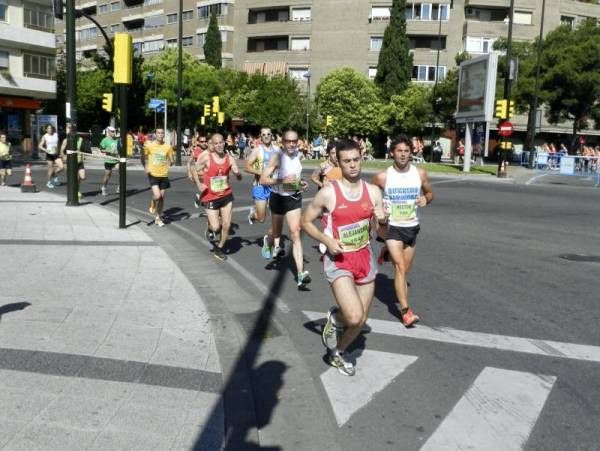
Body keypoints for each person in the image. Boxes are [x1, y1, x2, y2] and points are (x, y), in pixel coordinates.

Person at [302, 139, 387, 376]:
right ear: (338, 163)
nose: (352, 165)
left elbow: (382, 234)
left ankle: (336, 352)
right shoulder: (329, 193)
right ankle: (337, 316)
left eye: (356, 160)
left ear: (362, 159)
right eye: (346, 161)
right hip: (339, 259)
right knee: (354, 315)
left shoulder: (373, 192)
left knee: (359, 321)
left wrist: (383, 220)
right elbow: (305, 221)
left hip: (364, 257)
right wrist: (326, 240)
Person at [371, 135, 434, 327]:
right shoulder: (382, 177)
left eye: (406, 151)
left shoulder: (420, 173)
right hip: (392, 227)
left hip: (411, 226)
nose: (403, 154)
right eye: (399, 151)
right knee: (399, 268)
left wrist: (425, 199)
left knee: (405, 270)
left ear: (411, 153)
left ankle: (386, 253)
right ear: (392, 153)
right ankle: (406, 312)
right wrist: (380, 214)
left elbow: (430, 193)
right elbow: (372, 200)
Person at [259, 129, 311, 288]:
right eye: (288, 141)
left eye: (294, 141)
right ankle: (268, 240)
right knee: (276, 233)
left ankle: (300, 274)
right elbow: (263, 179)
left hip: (294, 198)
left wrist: (301, 182)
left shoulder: (298, 155)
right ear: (283, 142)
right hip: (278, 199)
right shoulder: (277, 157)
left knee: (296, 232)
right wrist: (281, 180)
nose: (291, 144)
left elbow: (294, 176)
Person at [195, 133, 243, 261]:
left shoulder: (229, 158)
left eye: (221, 142)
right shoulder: (207, 158)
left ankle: (219, 248)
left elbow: (237, 171)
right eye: (216, 143)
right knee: (216, 227)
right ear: (213, 145)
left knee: (226, 225)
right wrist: (199, 184)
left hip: (226, 195)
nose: (219, 145)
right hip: (210, 197)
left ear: (224, 142)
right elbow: (194, 169)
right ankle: (210, 227)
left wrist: (238, 175)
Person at [245, 127, 279, 225]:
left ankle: (274, 238)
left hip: (273, 185)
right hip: (260, 186)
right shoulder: (257, 150)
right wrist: (261, 172)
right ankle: (253, 214)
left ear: (272, 136)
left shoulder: (277, 149)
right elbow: (247, 167)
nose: (266, 136)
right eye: (263, 135)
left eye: (268, 134)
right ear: (260, 137)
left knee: (276, 215)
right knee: (261, 219)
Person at [143, 128, 174, 227]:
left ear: (164, 135)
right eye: (158, 133)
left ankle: (158, 218)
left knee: (161, 199)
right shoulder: (150, 145)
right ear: (155, 134)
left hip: (164, 175)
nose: (160, 135)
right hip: (153, 174)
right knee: (157, 196)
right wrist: (146, 167)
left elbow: (171, 158)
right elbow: (145, 156)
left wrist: (171, 162)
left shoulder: (167, 147)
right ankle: (152, 202)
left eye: (162, 133)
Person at [59, 123, 86, 199]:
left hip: (80, 162)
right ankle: (76, 192)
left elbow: (82, 150)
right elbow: (61, 150)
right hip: (71, 162)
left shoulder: (80, 139)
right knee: (76, 178)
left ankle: (76, 190)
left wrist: (83, 156)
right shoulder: (66, 140)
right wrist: (64, 156)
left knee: (83, 177)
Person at [187, 133, 209, 208]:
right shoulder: (196, 151)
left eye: (205, 141)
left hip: (208, 174)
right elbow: (189, 162)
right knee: (207, 192)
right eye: (201, 142)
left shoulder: (210, 150)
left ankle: (200, 200)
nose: (204, 143)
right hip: (199, 175)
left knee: (208, 192)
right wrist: (189, 173)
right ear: (198, 142)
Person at [38, 124, 63, 189]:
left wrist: (60, 152)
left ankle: (54, 175)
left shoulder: (56, 135)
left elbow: (58, 144)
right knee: (50, 170)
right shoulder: (45, 136)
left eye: (51, 128)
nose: (50, 129)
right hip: (49, 155)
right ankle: (48, 182)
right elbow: (40, 146)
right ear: (46, 130)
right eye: (48, 128)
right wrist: (46, 150)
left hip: (56, 154)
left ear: (53, 129)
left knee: (61, 167)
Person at [99, 126, 120, 196]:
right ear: (108, 132)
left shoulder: (117, 140)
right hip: (108, 160)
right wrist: (108, 151)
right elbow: (101, 149)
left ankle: (120, 187)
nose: (114, 133)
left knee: (121, 172)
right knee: (107, 175)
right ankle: (104, 188)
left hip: (116, 159)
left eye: (114, 131)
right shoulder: (105, 140)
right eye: (112, 131)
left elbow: (120, 148)